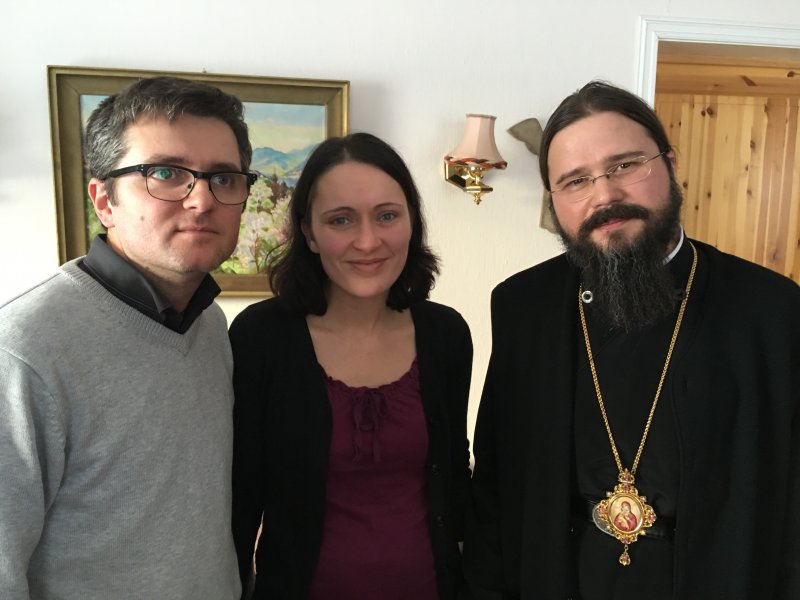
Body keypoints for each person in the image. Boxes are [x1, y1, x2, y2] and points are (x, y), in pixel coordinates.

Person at [463, 80, 799, 599]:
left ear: (670, 164)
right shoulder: (522, 306)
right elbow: (495, 485)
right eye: (575, 181)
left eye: (624, 165)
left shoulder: (771, 309)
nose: (605, 195)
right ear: (555, 200)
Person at [0, 76, 255, 598]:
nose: (201, 200)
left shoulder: (209, 324)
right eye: (164, 172)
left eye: (223, 178)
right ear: (103, 200)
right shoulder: (25, 350)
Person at [229, 132, 472, 599]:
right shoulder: (261, 337)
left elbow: (453, 474)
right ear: (309, 233)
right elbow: (242, 497)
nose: (367, 241)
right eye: (341, 220)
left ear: (412, 221)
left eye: (387, 215)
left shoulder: (446, 334)